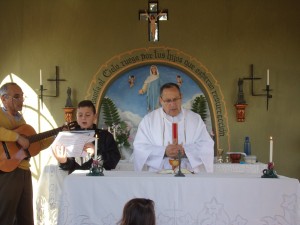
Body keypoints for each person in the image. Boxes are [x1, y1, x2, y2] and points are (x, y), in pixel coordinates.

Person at [0, 82, 53, 225]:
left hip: (24, 170)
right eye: (16, 97)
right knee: (5, 216)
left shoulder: (21, 120)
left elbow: (36, 146)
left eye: (22, 97)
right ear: (3, 99)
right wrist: (17, 137)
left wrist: (56, 136)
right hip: (6, 171)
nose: (21, 100)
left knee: (26, 217)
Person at [133, 82, 214, 173]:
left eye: (175, 99)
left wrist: (185, 151)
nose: (173, 104)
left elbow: (206, 145)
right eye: (168, 100)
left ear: (181, 97)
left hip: (189, 174)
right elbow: (140, 147)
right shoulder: (149, 120)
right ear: (161, 100)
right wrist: (163, 151)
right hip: (158, 175)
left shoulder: (195, 119)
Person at [52, 100, 121, 174]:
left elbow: (112, 163)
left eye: (87, 115)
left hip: (100, 180)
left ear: (95, 116)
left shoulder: (106, 136)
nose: (83, 118)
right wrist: (63, 161)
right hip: (76, 179)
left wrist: (96, 153)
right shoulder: (70, 136)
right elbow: (69, 166)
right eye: (80, 115)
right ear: (76, 116)